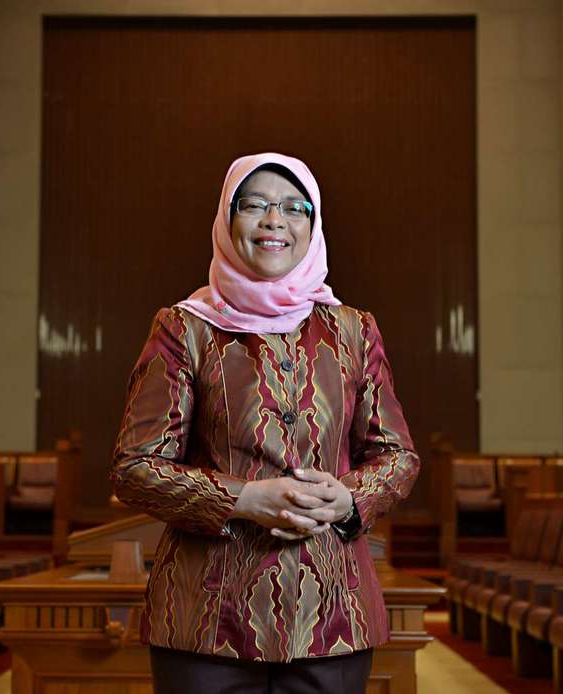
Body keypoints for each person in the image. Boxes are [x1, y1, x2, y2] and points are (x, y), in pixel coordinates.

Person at [111, 152, 420, 694]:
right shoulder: (184, 329)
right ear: (227, 221)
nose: (275, 220)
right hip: (205, 620)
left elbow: (398, 456)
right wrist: (243, 499)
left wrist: (348, 498)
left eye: (294, 208)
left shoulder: (353, 330)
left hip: (334, 615)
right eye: (254, 205)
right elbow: (134, 467)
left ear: (313, 225)